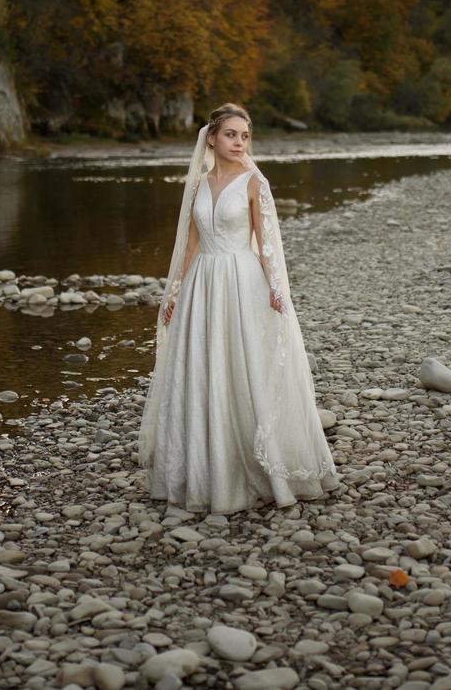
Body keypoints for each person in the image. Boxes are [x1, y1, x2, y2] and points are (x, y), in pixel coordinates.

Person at [137, 102, 342, 513]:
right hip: (202, 284)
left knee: (244, 367)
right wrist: (174, 293)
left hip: (241, 280)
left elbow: (266, 243)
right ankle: (204, 471)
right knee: (201, 369)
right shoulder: (197, 184)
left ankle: (264, 466)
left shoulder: (254, 182)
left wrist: (276, 288)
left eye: (245, 135)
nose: (239, 142)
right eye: (231, 134)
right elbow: (191, 244)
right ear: (211, 138)